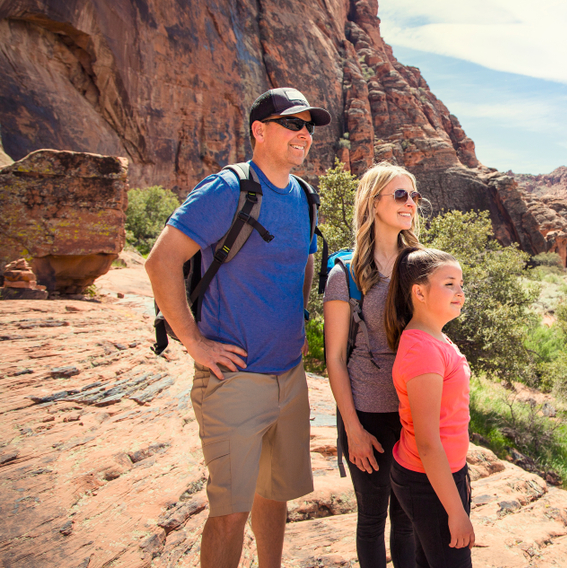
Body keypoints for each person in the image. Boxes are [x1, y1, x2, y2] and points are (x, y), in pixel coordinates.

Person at [145, 87, 330, 568]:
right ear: (259, 130)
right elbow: (160, 262)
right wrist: (195, 343)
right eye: (293, 123)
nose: (303, 134)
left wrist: (299, 318)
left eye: (308, 126)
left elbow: (304, 264)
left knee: (275, 496)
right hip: (234, 381)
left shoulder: (304, 196)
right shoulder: (227, 190)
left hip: (290, 379)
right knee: (229, 512)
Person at [323, 163, 422, 568]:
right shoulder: (343, 274)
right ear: (373, 202)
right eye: (400, 195)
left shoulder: (420, 265)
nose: (410, 203)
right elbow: (333, 359)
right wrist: (353, 430)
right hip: (368, 414)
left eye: (414, 196)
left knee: (407, 522)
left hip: (412, 412)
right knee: (371, 520)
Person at [384, 247, 473, 568]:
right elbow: (427, 442)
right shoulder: (423, 351)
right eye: (449, 283)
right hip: (429, 482)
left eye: (461, 283)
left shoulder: (437, 339)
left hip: (443, 477)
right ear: (419, 292)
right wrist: (456, 512)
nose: (460, 292)